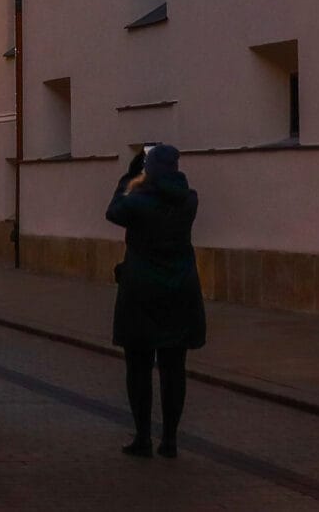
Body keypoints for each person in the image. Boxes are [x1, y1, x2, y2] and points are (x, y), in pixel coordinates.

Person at [109, 145, 205, 458]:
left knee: (138, 366)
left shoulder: (137, 202)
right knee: (173, 367)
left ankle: (143, 436)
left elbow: (113, 211)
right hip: (180, 291)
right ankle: (171, 439)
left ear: (149, 168)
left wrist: (130, 176)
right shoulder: (189, 200)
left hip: (141, 292)